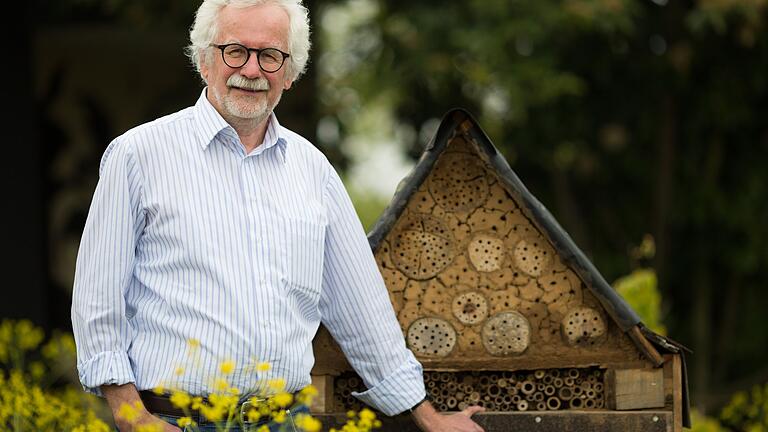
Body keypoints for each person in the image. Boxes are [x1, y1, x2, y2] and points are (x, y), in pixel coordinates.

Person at [71, 0, 485, 431]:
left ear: (289, 75)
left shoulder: (314, 171)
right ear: (204, 61)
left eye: (270, 56)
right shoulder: (138, 155)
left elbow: (361, 308)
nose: (251, 70)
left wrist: (428, 415)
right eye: (236, 51)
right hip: (176, 422)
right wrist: (129, 413)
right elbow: (97, 298)